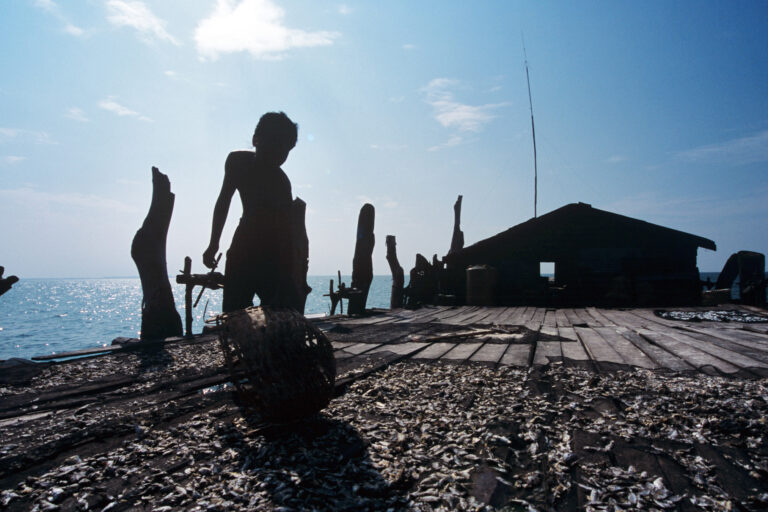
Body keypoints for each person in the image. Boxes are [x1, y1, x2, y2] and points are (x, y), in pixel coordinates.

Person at [203, 112, 297, 312]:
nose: (279, 153)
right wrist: (213, 243)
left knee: (275, 316)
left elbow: (287, 235)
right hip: (242, 249)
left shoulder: (281, 184)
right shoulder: (237, 162)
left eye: (285, 149)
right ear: (256, 140)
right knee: (234, 314)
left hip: (273, 256)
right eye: (274, 144)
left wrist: (286, 276)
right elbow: (223, 201)